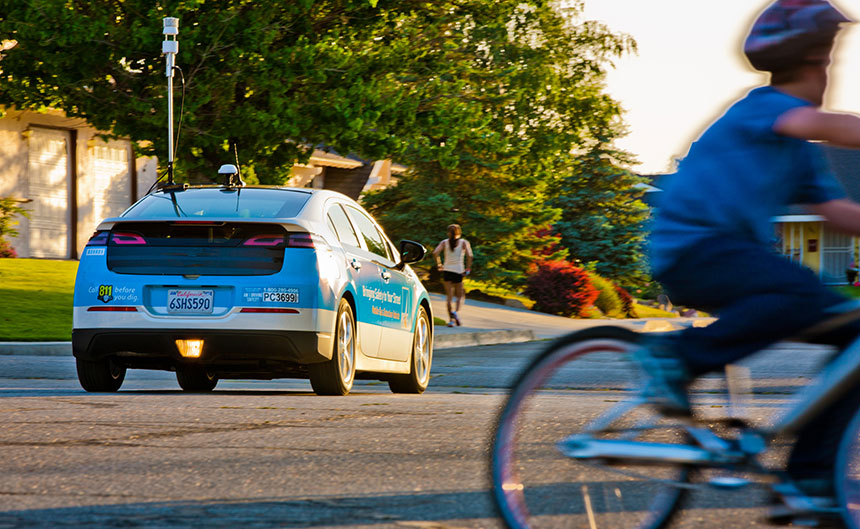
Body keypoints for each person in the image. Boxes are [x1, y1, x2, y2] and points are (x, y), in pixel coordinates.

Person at [636, 0, 860, 519]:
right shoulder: (764, 107)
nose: (831, 70)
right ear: (814, 61)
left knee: (851, 330)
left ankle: (807, 479)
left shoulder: (799, 147)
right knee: (797, 292)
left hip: (732, 256)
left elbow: (835, 210)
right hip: (694, 248)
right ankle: (677, 357)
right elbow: (832, 125)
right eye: (828, 59)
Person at [433, 224, 473, 327]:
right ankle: (455, 312)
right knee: (460, 296)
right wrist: (468, 269)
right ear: (459, 232)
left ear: (448, 233)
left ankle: (451, 320)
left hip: (447, 271)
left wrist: (439, 265)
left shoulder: (444, 242)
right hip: (458, 272)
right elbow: (470, 256)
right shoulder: (464, 242)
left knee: (449, 297)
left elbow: (435, 253)